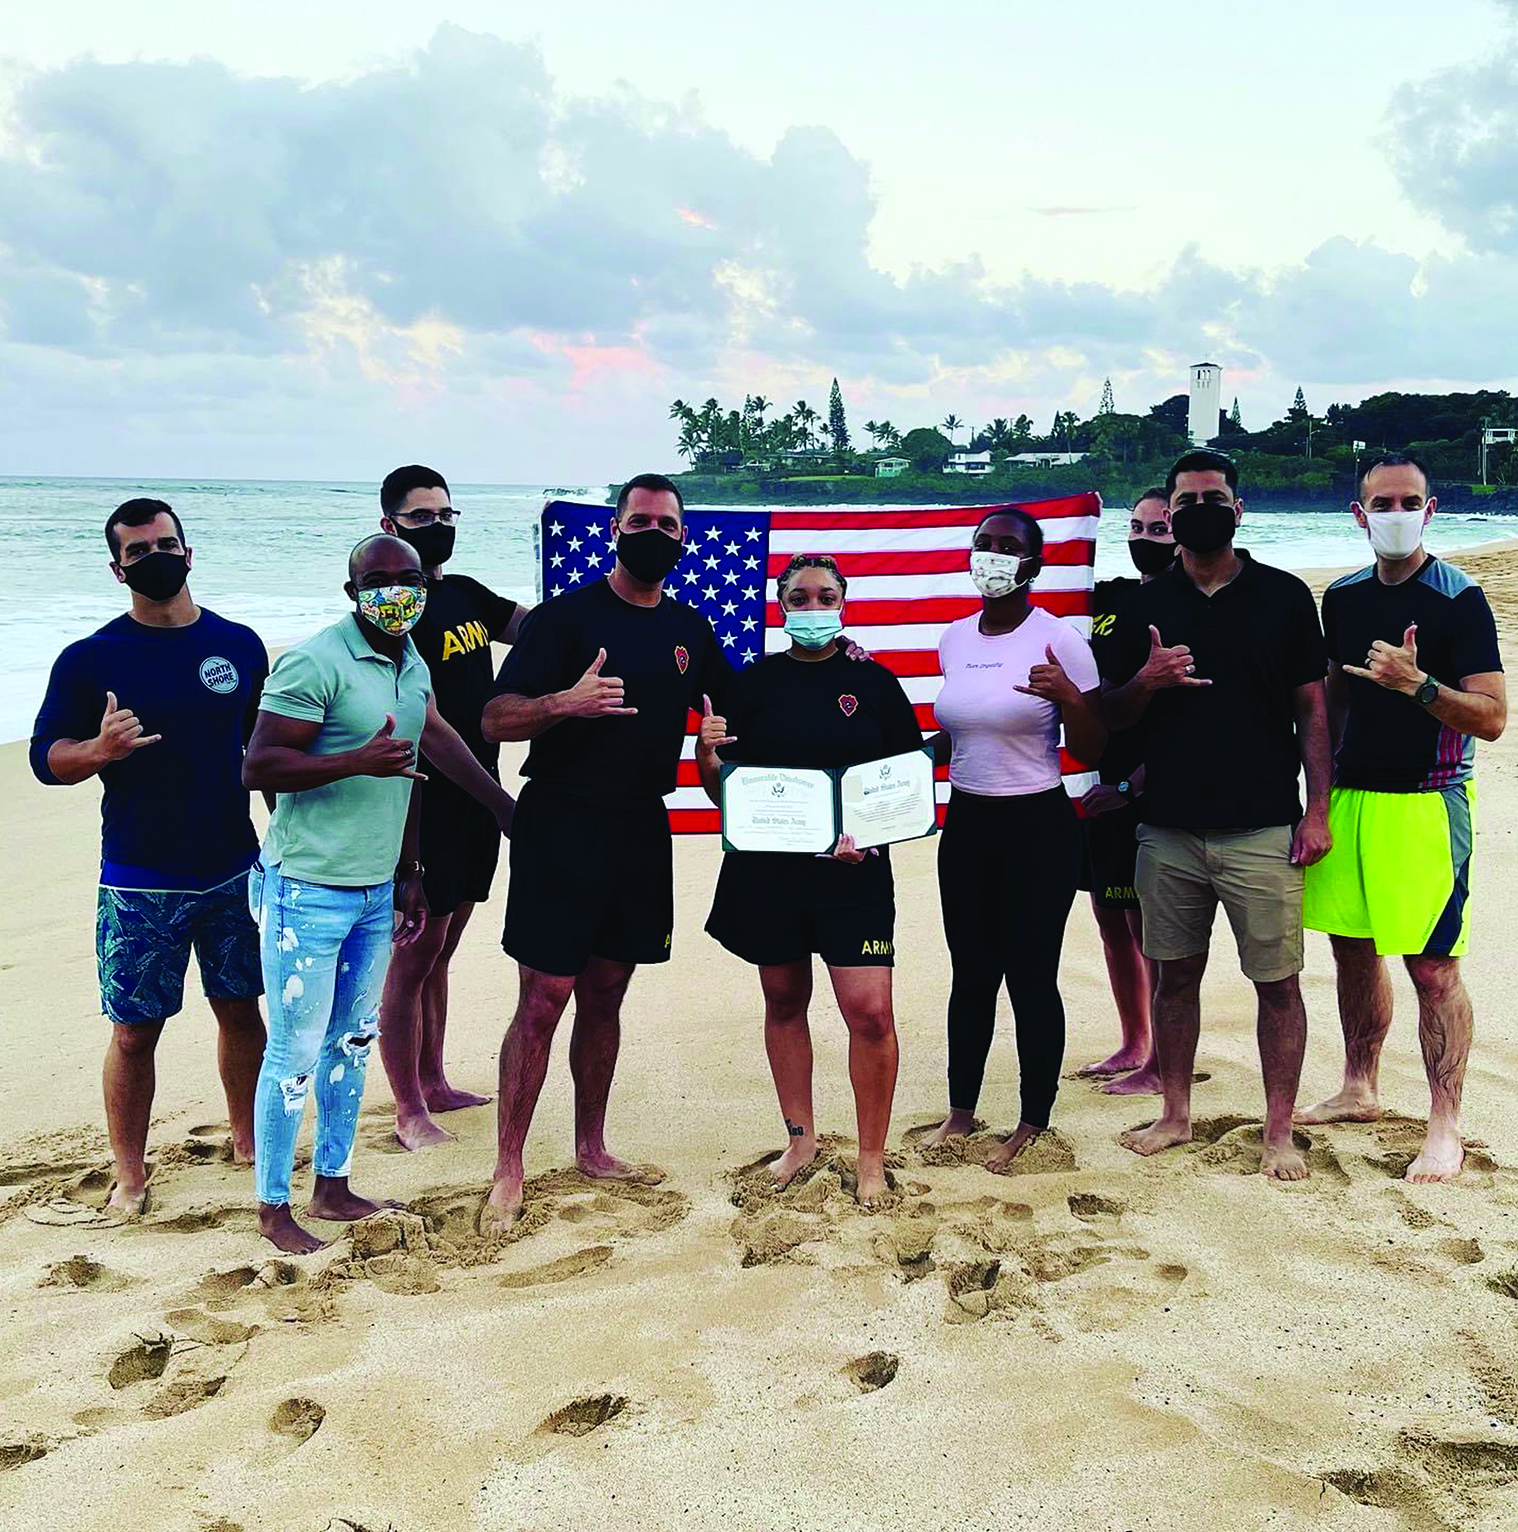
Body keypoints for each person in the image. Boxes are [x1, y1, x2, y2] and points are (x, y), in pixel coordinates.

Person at [242, 534, 515, 1254]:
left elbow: (422, 758)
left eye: (410, 579)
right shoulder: (314, 661)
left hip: (374, 890)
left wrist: (414, 868)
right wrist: (355, 759)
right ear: (351, 589)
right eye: (380, 580)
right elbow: (260, 764)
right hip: (305, 888)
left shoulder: (410, 661)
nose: (397, 591)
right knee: (293, 1050)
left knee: (352, 1041)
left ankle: (333, 1184)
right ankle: (273, 1206)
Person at [479, 474, 733, 1225]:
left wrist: (837, 656)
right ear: (614, 529)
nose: (654, 533)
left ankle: (591, 1145)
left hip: (639, 827)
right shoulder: (563, 621)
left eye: (668, 525)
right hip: (563, 821)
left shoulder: (689, 629)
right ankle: (508, 1166)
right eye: (640, 521)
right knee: (544, 997)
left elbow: (742, 705)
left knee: (607, 992)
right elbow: (494, 718)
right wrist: (563, 702)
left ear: (684, 540)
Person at [31, 498, 269, 1219]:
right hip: (140, 879)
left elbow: (267, 754)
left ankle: (247, 1138)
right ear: (117, 568)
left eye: (167, 544)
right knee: (135, 1033)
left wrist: (289, 846)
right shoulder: (90, 659)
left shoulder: (240, 644)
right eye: (139, 552)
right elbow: (48, 759)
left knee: (241, 1010)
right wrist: (98, 751)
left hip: (233, 865)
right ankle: (130, 1174)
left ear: (189, 552)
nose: (156, 557)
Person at [1104, 449, 1331, 1180]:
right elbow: (1110, 717)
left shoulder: (1286, 596)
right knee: (1174, 979)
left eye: (1215, 496)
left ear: (1237, 509)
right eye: (1187, 498)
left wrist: (1317, 809)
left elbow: (1312, 708)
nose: (1201, 507)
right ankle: (1175, 1112)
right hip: (1168, 827)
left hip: (1264, 825)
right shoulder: (1142, 607)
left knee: (1279, 984)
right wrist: (1148, 679)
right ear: (1168, 516)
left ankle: (1278, 1131)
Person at [1298, 454, 1505, 1182]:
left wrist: (1417, 683)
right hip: (1353, 797)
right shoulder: (1345, 598)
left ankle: (1446, 1123)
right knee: (1351, 949)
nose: (1395, 513)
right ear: (1358, 514)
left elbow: (1492, 718)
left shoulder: (1460, 599)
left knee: (1433, 967)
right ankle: (1360, 1085)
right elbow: (1330, 701)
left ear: (1431, 508)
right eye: (1380, 502)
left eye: (1408, 501)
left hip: (1428, 800)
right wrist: (1316, 799)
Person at [695, 554, 924, 1205]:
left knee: (871, 1013)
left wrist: (869, 834)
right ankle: (800, 1140)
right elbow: (725, 795)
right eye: (800, 596)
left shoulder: (875, 683)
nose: (814, 607)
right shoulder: (752, 684)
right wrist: (706, 755)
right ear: (782, 605)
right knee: (785, 1001)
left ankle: (871, 1158)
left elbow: (906, 784)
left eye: (826, 595)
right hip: (769, 877)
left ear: (844, 601)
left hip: (855, 878)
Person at [924, 507, 1107, 1169]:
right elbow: (959, 730)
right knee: (970, 974)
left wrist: (1072, 699)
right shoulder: (953, 638)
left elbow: (1091, 747)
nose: (992, 556)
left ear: (1033, 563)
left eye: (1008, 547)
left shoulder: (1060, 640)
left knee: (1031, 976)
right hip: (968, 823)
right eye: (984, 544)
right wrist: (907, 764)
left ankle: (1034, 1119)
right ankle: (962, 1111)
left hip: (1038, 825)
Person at [374, 465, 527, 1150]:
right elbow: (412, 724)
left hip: (480, 797)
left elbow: (535, 629)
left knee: (443, 949)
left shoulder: (465, 593)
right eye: (420, 517)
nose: (437, 527)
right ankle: (408, 1108)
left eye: (445, 515)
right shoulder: (394, 615)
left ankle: (434, 1080)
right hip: (423, 805)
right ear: (389, 527)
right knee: (412, 956)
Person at [1076, 489, 1176, 1094]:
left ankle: (1165, 1055)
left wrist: (1129, 784)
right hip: (1097, 783)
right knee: (1109, 912)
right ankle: (1134, 1039)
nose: (1146, 538)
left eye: (1160, 529)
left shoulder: (1186, 600)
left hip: (1149, 786)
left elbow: (1187, 718)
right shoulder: (1109, 598)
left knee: (1149, 924)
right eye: (1136, 527)